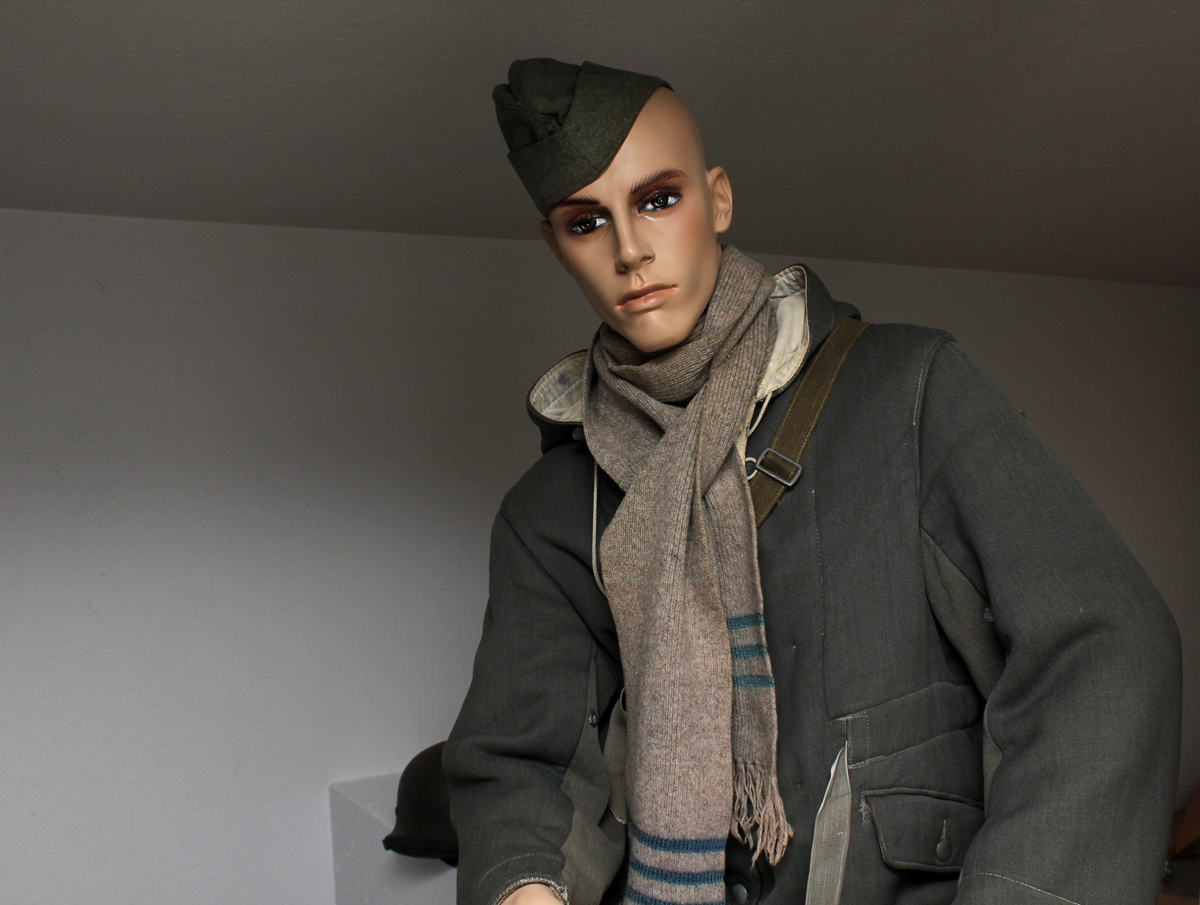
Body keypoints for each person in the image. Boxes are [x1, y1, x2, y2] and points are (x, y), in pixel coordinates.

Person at [443, 58, 1182, 905]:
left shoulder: (907, 391)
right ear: (555, 245)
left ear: (719, 199)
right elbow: (519, 760)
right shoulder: (551, 510)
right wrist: (525, 887)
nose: (630, 250)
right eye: (586, 221)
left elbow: (1105, 648)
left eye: (658, 199)